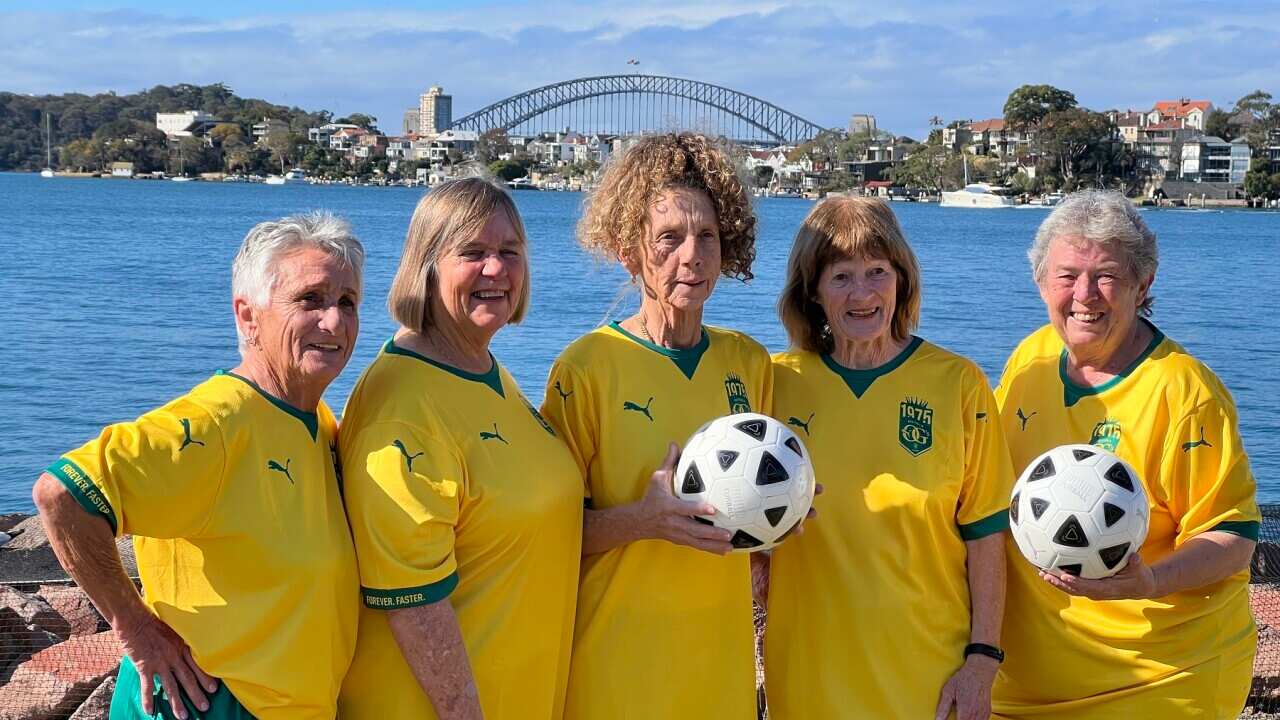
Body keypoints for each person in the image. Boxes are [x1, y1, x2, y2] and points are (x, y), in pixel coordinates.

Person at [33, 213, 364, 719]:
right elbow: (62, 495)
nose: (334, 322)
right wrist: (137, 629)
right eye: (309, 299)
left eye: (347, 302)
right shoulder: (213, 424)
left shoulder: (314, 418)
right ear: (248, 316)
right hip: (209, 703)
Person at [991, 190, 1259, 719]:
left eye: (1107, 275)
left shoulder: (1185, 392)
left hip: (1158, 680)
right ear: (1041, 281)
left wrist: (1150, 581)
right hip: (1024, 684)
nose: (1085, 294)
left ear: (1143, 285)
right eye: (1067, 275)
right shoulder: (1029, 359)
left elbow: (1234, 538)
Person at [539, 132, 772, 719]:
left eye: (707, 237)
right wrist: (641, 521)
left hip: (719, 672)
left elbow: (749, 529)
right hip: (614, 672)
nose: (690, 255)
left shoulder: (748, 362)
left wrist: (781, 512)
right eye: (668, 238)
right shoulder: (586, 366)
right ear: (628, 251)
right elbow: (543, 539)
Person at [337, 178, 583, 720]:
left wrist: (646, 519)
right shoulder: (402, 408)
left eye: (509, 252)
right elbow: (413, 602)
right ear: (426, 267)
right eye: (472, 252)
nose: (495, 270)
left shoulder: (484, 371)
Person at [765, 197, 1013, 720]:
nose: (863, 293)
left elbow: (988, 533)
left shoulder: (957, 383)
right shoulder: (775, 385)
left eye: (877, 271)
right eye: (841, 276)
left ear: (901, 280)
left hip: (931, 677)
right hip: (809, 674)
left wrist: (983, 662)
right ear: (812, 291)